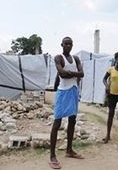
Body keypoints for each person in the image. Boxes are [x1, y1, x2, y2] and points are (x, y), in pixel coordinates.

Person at [49, 37, 85, 169]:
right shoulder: (58, 58)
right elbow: (61, 73)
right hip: (63, 92)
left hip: (73, 91)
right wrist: (73, 74)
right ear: (62, 45)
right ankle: (52, 155)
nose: (68, 46)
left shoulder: (75, 59)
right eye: (66, 44)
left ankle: (69, 150)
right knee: (57, 122)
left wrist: (68, 72)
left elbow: (82, 74)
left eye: (70, 44)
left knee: (72, 121)